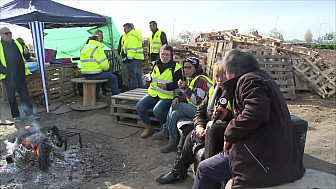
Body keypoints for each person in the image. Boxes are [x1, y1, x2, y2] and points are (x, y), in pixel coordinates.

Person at [193, 49, 305, 188]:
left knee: (205, 169)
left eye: (226, 73)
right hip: (275, 157)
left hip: (262, 160)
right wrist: (228, 115)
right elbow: (258, 114)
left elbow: (256, 112)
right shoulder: (263, 78)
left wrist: (229, 135)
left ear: (232, 72)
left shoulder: (248, 80)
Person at [155, 62, 232, 183]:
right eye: (217, 76)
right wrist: (199, 126)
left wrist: (183, 90)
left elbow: (196, 102)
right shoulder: (214, 90)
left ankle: (178, 170)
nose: (220, 79)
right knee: (186, 128)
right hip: (208, 124)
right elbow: (200, 111)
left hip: (219, 131)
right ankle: (178, 170)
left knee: (184, 124)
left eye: (223, 76)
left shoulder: (233, 94)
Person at [153, 57, 213, 153]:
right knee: (175, 113)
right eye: (185, 68)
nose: (186, 70)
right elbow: (190, 98)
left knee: (175, 105)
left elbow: (197, 101)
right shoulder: (193, 78)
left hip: (203, 112)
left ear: (196, 68)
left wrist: (184, 89)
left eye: (189, 67)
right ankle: (173, 140)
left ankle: (165, 130)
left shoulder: (201, 80)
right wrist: (179, 98)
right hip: (196, 108)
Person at [136, 44, 183, 138]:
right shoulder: (155, 64)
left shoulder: (176, 68)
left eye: (167, 55)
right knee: (139, 106)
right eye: (163, 54)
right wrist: (149, 77)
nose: (164, 57)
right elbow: (151, 75)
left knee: (157, 110)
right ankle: (148, 127)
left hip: (167, 96)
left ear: (171, 56)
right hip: (153, 94)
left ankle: (164, 128)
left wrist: (167, 86)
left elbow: (178, 85)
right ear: (159, 54)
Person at [0, 27, 39, 122]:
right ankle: (15, 115)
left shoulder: (17, 43)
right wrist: (6, 71)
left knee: (24, 95)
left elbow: (26, 57)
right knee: (11, 97)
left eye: (10, 33)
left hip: (20, 74)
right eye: (6, 33)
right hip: (8, 77)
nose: (9, 35)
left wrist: (26, 53)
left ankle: (30, 113)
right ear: (1, 35)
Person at [80, 34, 120, 98]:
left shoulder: (84, 48)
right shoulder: (97, 48)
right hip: (94, 74)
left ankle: (96, 97)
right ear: (97, 40)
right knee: (113, 78)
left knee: (99, 76)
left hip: (86, 74)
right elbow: (104, 64)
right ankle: (117, 98)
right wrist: (107, 69)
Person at [122, 23, 144, 90]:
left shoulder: (131, 36)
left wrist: (128, 58)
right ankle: (140, 89)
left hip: (133, 59)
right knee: (137, 75)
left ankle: (135, 90)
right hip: (137, 58)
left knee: (133, 76)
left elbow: (132, 48)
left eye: (125, 29)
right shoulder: (134, 35)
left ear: (129, 28)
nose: (124, 30)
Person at [94, 30, 111, 95]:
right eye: (99, 35)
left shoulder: (100, 43)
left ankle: (103, 90)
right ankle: (98, 94)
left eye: (101, 35)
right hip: (95, 66)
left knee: (104, 72)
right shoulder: (94, 44)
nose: (100, 36)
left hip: (99, 65)